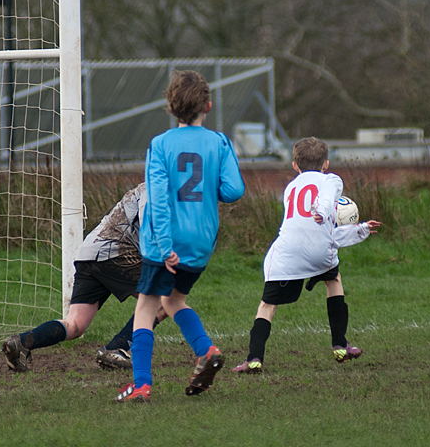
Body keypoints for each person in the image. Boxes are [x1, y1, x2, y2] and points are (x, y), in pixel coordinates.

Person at [116, 70, 245, 403]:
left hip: (166, 242)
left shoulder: (160, 144)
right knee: (173, 301)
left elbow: (158, 198)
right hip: (202, 241)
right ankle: (207, 350)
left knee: (146, 308)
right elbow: (234, 190)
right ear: (209, 105)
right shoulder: (219, 141)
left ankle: (141, 384)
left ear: (171, 108)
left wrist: (164, 247)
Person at [232, 137, 381, 374]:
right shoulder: (331, 179)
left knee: (267, 305)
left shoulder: (290, 188)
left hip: (286, 252)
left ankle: (254, 359)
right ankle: (340, 345)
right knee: (333, 281)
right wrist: (350, 225)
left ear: (294, 165)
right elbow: (325, 207)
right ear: (326, 164)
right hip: (320, 250)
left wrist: (330, 217)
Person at [1, 182, 167, 372]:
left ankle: (21, 343)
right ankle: (116, 349)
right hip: (115, 251)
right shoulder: (158, 185)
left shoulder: (160, 185)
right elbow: (149, 228)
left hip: (90, 251)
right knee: (163, 301)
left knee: (75, 325)